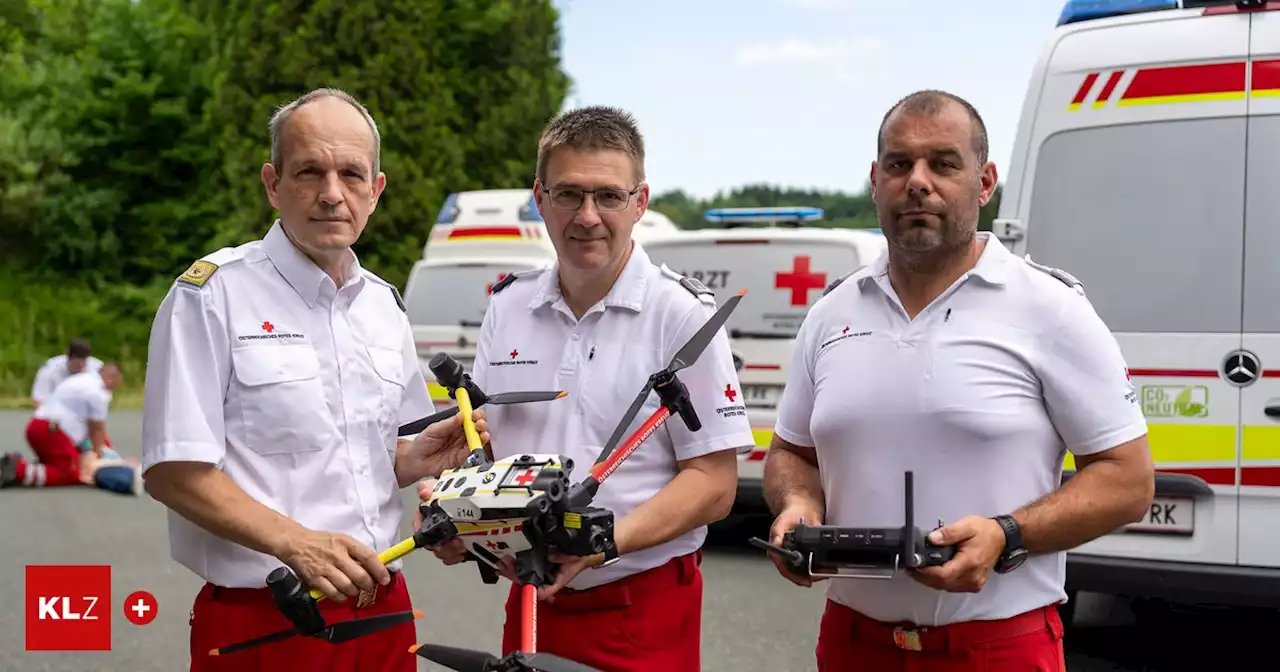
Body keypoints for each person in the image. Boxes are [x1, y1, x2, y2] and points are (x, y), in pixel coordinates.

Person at [763, 90, 1156, 672]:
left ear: (985, 181)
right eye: (899, 164)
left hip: (998, 647)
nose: (918, 182)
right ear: (875, 180)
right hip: (854, 643)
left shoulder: (1051, 309)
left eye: (944, 163)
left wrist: (1008, 534)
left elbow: (1128, 481)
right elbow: (791, 453)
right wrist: (796, 504)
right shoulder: (830, 314)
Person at [139, 87, 488, 672]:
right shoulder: (212, 295)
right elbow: (174, 472)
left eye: (352, 174)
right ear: (273, 184)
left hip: (384, 609)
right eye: (310, 172)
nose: (332, 194)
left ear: (375, 192)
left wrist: (416, 457)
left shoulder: (383, 305)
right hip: (269, 617)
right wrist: (295, 542)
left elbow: (363, 453)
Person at [423, 105, 754, 671]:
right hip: (530, 596)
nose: (587, 216)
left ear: (640, 202)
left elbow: (715, 485)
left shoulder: (682, 313)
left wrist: (604, 544)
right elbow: (490, 455)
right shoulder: (508, 307)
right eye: (568, 194)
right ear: (539, 197)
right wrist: (455, 512)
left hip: (641, 607)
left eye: (608, 196)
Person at [1, 362, 125, 490]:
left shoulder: (81, 379)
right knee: (70, 473)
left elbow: (88, 429)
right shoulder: (98, 393)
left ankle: (27, 468)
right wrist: (99, 455)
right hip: (51, 431)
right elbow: (97, 429)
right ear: (112, 378)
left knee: (71, 463)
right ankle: (18, 470)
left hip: (37, 427)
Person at [30, 339, 104, 410]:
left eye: (83, 362)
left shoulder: (97, 368)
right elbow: (38, 400)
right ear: (68, 358)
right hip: (54, 409)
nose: (80, 366)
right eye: (76, 363)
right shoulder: (50, 369)